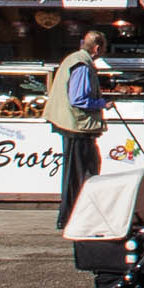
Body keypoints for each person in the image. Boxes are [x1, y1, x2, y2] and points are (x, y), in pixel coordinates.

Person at [46, 30, 109, 230]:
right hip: (77, 126)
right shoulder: (82, 65)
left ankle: (74, 214)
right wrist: (102, 103)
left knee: (80, 171)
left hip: (73, 125)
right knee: (80, 173)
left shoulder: (73, 59)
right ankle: (72, 216)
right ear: (97, 48)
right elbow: (78, 99)